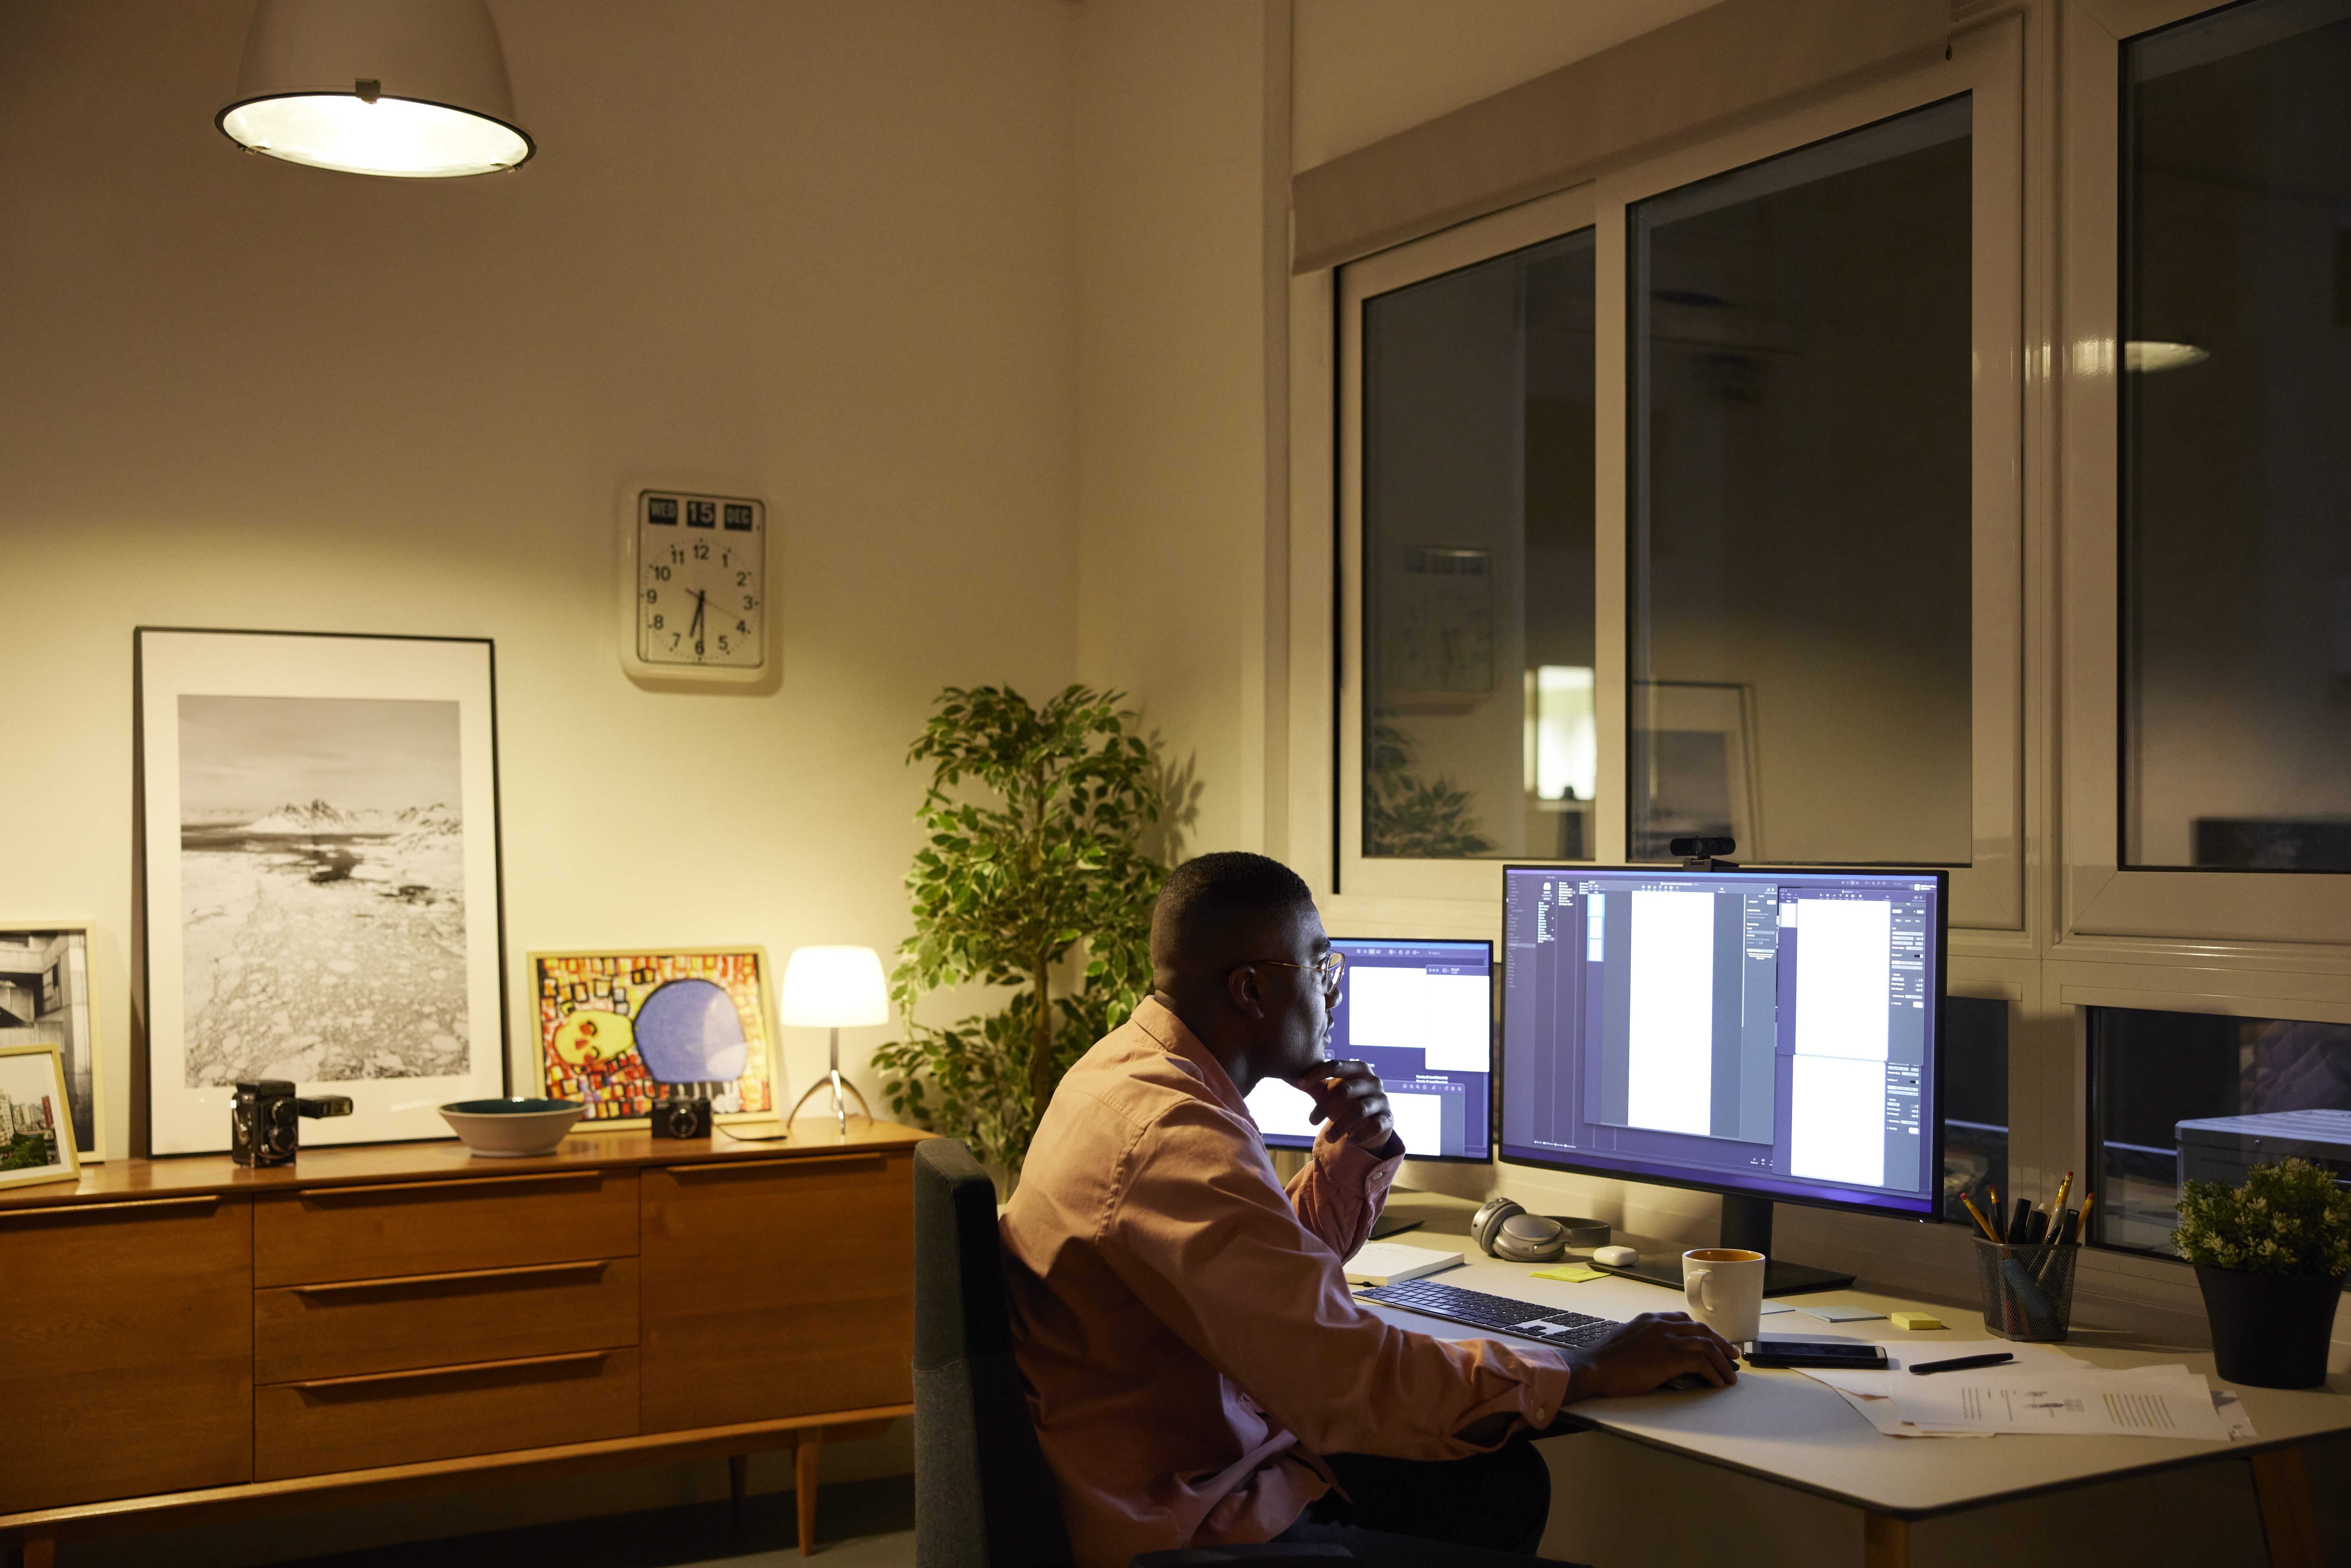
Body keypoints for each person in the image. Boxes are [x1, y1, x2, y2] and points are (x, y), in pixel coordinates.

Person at [1000, 851, 1739, 1567]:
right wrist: (1584, 1367)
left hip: (1183, 1460)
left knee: (1497, 1486)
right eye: (1320, 968)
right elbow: (1343, 1380)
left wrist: (1356, 1146)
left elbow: (1262, 1274)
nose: (1333, 994)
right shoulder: (1173, 1135)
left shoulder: (1129, 1072)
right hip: (1185, 1518)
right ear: (1251, 992)